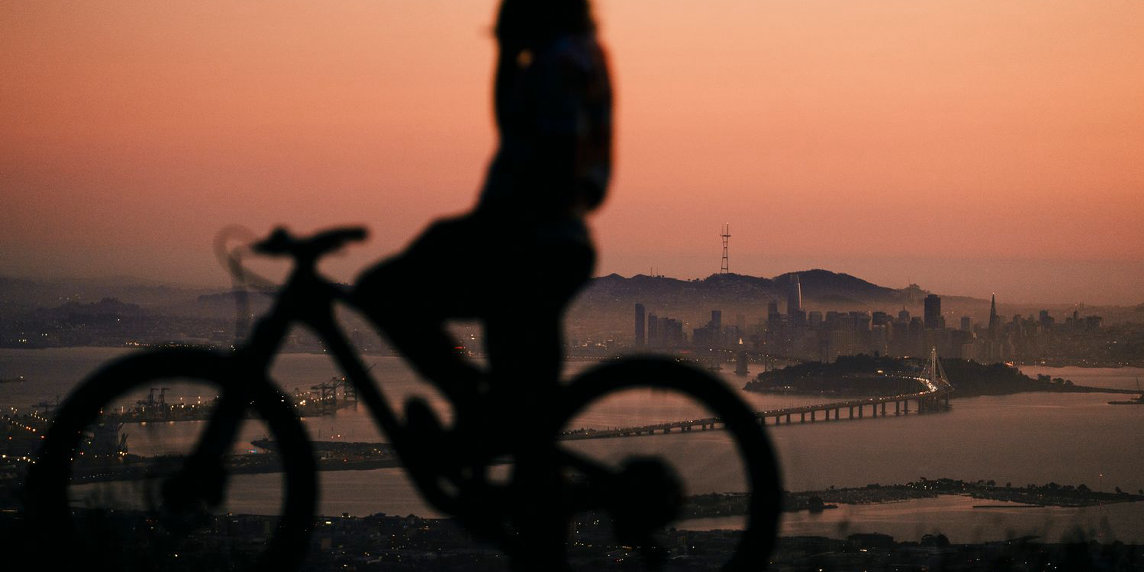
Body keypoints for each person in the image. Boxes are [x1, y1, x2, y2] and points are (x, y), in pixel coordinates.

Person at [353, 0, 612, 440]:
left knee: (384, 291)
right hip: (555, 241)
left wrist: (508, 52)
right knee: (529, 415)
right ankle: (489, 427)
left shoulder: (558, 62)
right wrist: (508, 56)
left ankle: (470, 399)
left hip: (527, 240)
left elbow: (555, 151)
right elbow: (514, 124)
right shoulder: (580, 55)